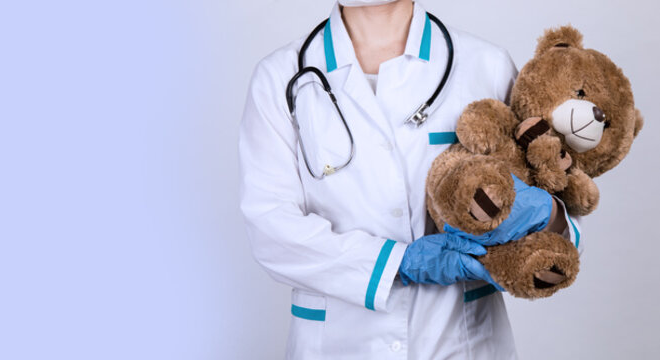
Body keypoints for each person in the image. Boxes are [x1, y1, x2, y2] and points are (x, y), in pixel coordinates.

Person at [238, 0, 582, 358]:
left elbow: (563, 226)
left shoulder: (486, 65)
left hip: (461, 341)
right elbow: (272, 231)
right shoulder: (280, 77)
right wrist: (397, 263)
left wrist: (547, 214)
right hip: (340, 344)